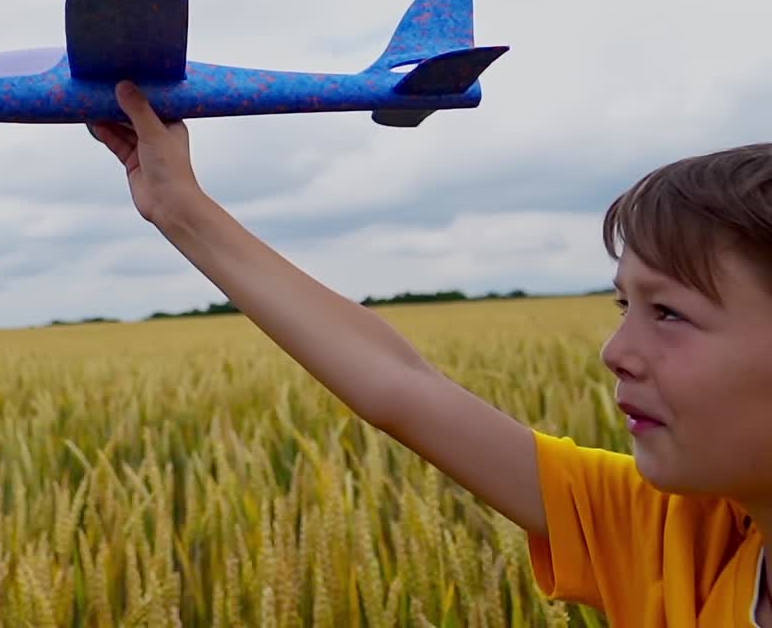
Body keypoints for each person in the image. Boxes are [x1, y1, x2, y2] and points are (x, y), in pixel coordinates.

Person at [88, 82, 772, 628]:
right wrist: (179, 207)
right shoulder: (683, 542)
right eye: (625, 307)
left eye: (670, 313)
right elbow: (402, 388)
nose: (615, 353)